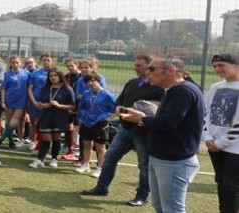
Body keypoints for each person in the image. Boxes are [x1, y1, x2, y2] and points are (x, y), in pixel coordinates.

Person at [119, 56, 204, 213]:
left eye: (151, 69)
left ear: (171, 71)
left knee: (172, 209)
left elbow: (168, 123)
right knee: (160, 207)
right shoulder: (173, 91)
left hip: (174, 161)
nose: (146, 72)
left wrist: (141, 118)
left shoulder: (183, 91)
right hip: (162, 158)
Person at [82, 54, 164, 207]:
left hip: (143, 132)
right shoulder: (132, 83)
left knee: (144, 165)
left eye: (139, 65)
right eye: (135, 65)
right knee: (110, 157)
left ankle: (142, 195)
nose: (136, 68)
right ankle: (102, 187)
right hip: (125, 129)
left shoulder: (158, 87)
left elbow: (160, 108)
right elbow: (120, 99)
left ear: (149, 67)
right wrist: (119, 107)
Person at [205, 53, 239, 213]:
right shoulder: (215, 87)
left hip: (234, 148)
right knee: (221, 182)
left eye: (222, 65)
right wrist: (208, 137)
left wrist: (220, 142)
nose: (217, 69)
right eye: (215, 66)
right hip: (215, 146)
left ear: (236, 66)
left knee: (232, 186)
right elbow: (205, 114)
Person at [28, 69, 74, 169]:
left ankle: (54, 159)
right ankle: (40, 160)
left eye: (55, 75)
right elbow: (40, 103)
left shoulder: (67, 89)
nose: (53, 77)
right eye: (51, 76)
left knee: (56, 138)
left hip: (59, 117)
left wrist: (59, 105)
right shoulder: (45, 88)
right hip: (45, 116)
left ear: (60, 76)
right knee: (46, 138)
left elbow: (72, 106)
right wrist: (43, 105)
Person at [76, 73, 116, 178]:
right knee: (86, 144)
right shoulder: (86, 93)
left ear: (99, 81)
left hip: (100, 123)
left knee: (100, 146)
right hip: (86, 122)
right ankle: (85, 165)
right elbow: (82, 107)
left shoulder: (107, 95)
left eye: (93, 80)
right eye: (88, 81)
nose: (90, 83)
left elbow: (116, 109)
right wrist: (83, 118)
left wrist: (108, 119)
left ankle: (100, 168)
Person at [0, 56, 30, 150]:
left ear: (20, 63)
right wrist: (3, 101)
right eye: (13, 63)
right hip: (10, 100)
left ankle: (0, 140)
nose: (15, 64)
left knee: (14, 122)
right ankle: (11, 143)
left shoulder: (26, 73)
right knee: (8, 123)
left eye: (17, 62)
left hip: (21, 101)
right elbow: (3, 89)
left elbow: (30, 87)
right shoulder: (7, 74)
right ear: (10, 64)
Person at [28, 53, 55, 152]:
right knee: (35, 123)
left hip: (49, 103)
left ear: (52, 60)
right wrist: (34, 102)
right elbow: (30, 89)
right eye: (44, 60)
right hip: (36, 102)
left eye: (48, 60)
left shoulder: (55, 72)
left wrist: (50, 103)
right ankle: (33, 142)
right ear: (40, 61)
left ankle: (45, 145)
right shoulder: (35, 73)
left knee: (47, 124)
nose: (46, 62)